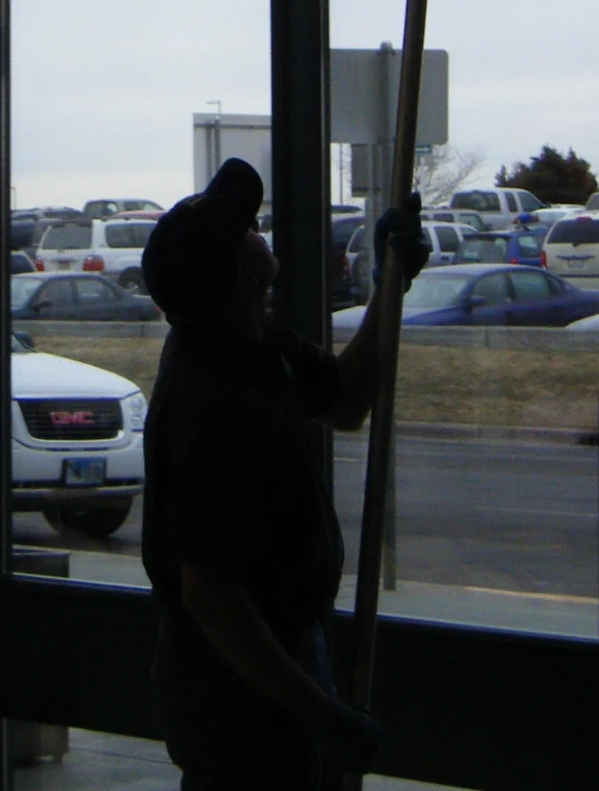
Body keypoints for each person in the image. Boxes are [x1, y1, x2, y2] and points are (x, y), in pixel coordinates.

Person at [140, 158, 429, 791]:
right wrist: (320, 714)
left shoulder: (256, 350)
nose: (259, 230)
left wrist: (390, 285)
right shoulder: (210, 404)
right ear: (240, 274)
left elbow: (348, 399)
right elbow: (211, 597)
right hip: (236, 698)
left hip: (286, 658)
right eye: (247, 231)